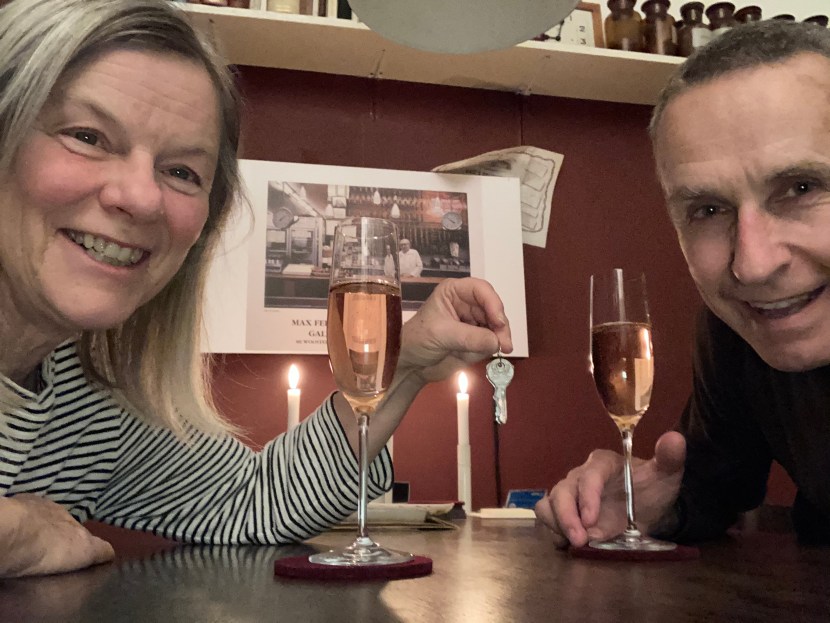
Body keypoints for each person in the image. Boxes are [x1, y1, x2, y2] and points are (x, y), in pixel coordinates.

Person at [0, 0, 513, 577]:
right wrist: (16, 535)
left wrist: (405, 363)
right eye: (87, 136)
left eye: (181, 172)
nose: (141, 198)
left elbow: (256, 500)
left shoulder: (86, 402)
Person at [535, 19, 830, 547]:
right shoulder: (741, 328)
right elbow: (714, 485)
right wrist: (653, 504)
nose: (752, 266)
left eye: (802, 187)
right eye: (708, 209)